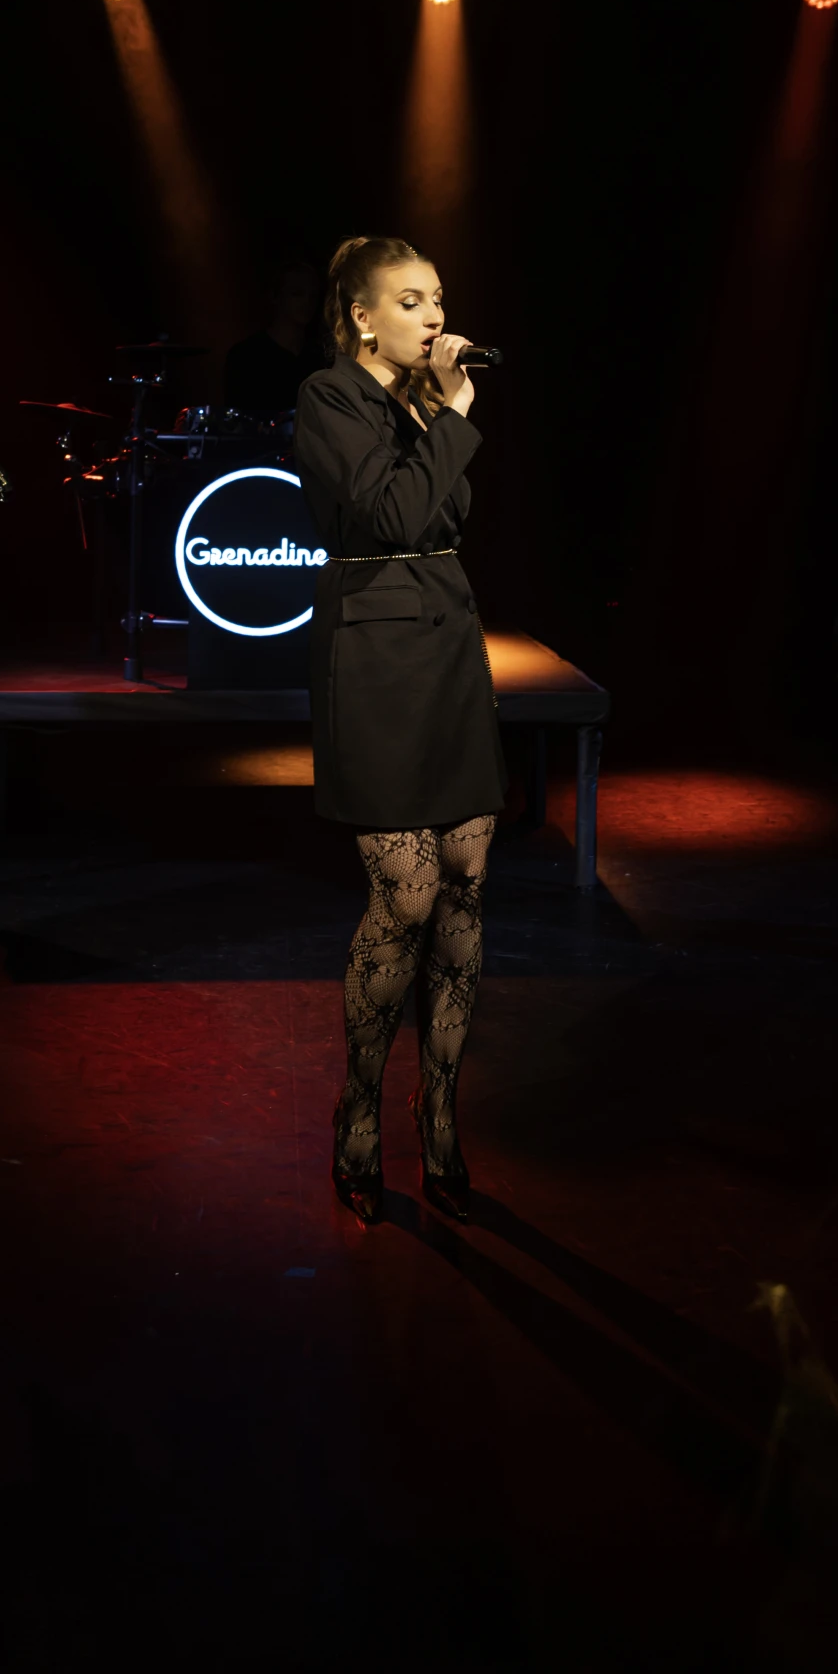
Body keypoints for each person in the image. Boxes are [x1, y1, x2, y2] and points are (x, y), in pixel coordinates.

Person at [294, 235, 507, 1226]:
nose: (435, 317)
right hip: (376, 655)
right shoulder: (329, 396)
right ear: (361, 316)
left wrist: (438, 410)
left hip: (450, 643)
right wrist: (454, 414)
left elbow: (447, 515)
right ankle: (359, 1108)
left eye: (438, 298)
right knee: (407, 896)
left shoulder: (424, 400)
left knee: (464, 884)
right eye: (412, 301)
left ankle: (443, 1114)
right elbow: (393, 514)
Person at [223, 255, 323, 416]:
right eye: (297, 294)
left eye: (313, 296)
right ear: (275, 297)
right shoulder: (246, 356)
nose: (307, 302)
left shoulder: (320, 357)